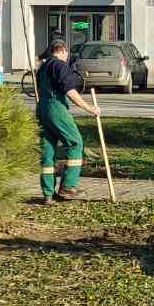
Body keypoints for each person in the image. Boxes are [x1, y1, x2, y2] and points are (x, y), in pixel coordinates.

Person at [36, 39, 99, 204]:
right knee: (75, 143)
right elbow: (70, 91)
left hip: (42, 109)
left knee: (48, 151)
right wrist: (89, 108)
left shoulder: (42, 67)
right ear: (63, 51)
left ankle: (48, 194)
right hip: (56, 109)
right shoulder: (60, 66)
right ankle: (68, 187)